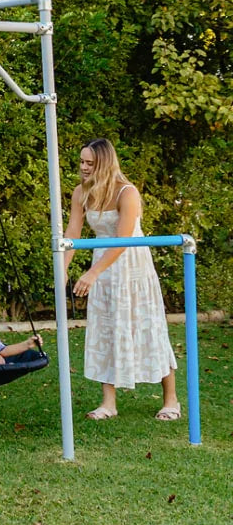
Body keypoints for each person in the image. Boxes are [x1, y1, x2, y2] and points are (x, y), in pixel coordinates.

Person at [64, 137, 180, 421]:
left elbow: (123, 239)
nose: (84, 168)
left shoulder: (127, 192)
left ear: (104, 164)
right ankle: (108, 403)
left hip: (131, 264)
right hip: (103, 266)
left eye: (90, 163)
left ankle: (171, 400)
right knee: (106, 328)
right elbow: (73, 232)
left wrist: (93, 272)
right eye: (81, 162)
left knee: (149, 327)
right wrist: (63, 267)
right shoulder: (81, 192)